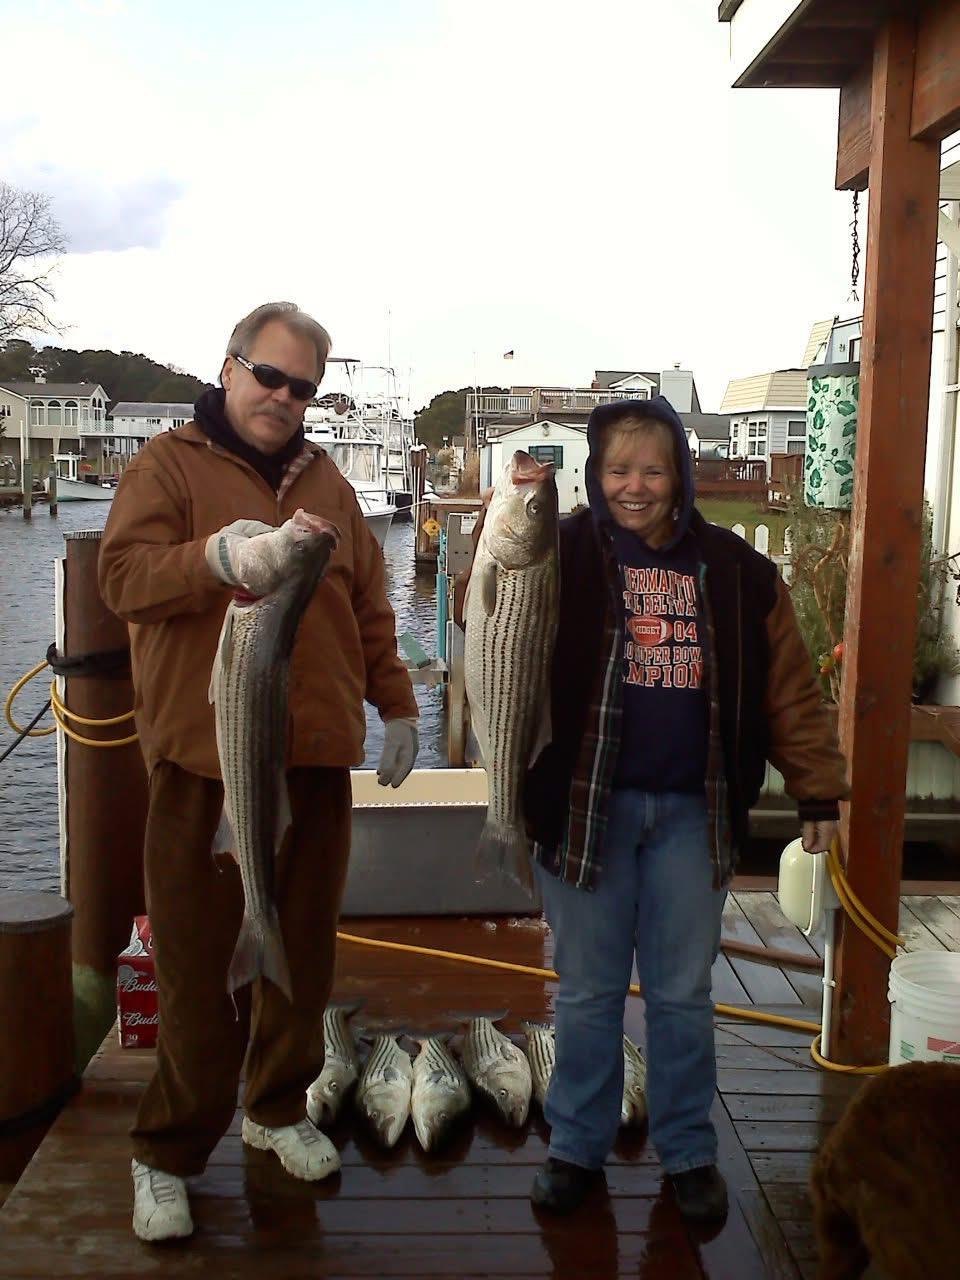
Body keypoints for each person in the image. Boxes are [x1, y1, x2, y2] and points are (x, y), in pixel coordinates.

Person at [460, 397, 848, 1223]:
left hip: (690, 816)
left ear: (680, 476)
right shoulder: (556, 553)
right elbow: (493, 630)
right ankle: (575, 1147)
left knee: (680, 994)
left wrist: (817, 784)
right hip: (581, 809)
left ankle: (689, 1152)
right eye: (617, 471)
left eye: (652, 469)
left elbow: (790, 691)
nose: (634, 487)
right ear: (596, 479)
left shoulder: (738, 570)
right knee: (589, 994)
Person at [98, 301, 420, 1243]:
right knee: (199, 980)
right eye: (268, 376)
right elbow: (123, 578)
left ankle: (274, 1110)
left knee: (298, 964)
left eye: (303, 387)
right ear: (231, 367)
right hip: (205, 771)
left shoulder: (330, 483)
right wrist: (215, 558)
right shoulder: (169, 464)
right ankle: (165, 1152)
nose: (283, 398)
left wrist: (397, 705)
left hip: (314, 765)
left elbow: (367, 606)